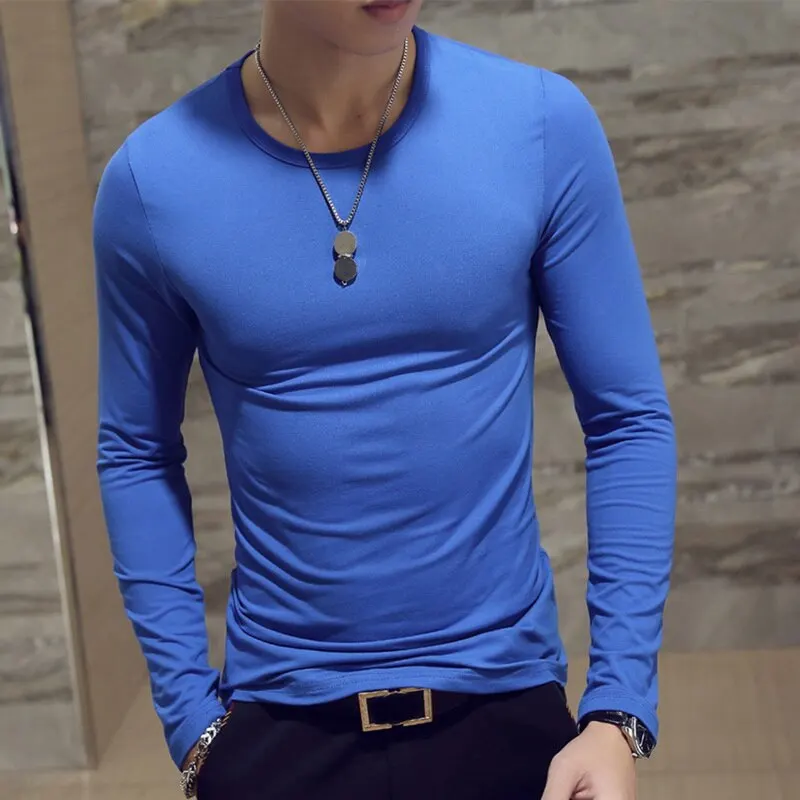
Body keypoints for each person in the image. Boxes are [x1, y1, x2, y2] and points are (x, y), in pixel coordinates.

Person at [93, 1, 677, 798]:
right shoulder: (152, 181)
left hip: (507, 708)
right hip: (277, 726)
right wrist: (191, 726)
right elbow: (135, 451)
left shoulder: (540, 125)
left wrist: (617, 710)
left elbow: (627, 420)